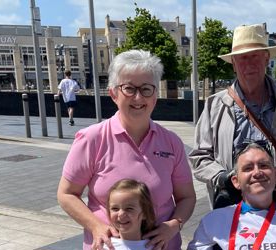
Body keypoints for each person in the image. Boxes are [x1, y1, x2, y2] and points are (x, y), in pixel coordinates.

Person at [57, 50, 196, 250]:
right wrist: (96, 226)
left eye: (146, 89)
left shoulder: (171, 142)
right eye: (129, 88)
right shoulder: (92, 139)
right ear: (113, 94)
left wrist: (173, 225)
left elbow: (187, 197)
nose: (138, 97)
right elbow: (67, 194)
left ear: (156, 94)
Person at [189, 23, 276, 208]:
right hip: (235, 206)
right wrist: (223, 178)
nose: (249, 64)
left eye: (255, 56)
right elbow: (200, 156)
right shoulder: (215, 104)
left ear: (266, 59)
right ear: (233, 64)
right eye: (242, 58)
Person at [105, 179, 157, 250]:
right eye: (115, 209)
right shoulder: (105, 247)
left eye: (129, 209)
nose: (121, 214)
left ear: (145, 213)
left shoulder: (154, 247)